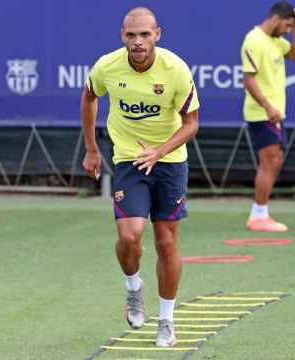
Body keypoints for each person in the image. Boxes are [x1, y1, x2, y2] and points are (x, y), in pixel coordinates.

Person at [80, 7, 199, 347]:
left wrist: (160, 152)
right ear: (123, 36)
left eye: (145, 34)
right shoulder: (107, 66)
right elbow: (89, 96)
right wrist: (91, 148)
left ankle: (166, 320)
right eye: (131, 35)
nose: (138, 42)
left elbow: (191, 123)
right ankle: (133, 288)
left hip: (169, 162)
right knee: (131, 237)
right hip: (130, 160)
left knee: (166, 242)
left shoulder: (176, 70)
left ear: (157, 35)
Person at [241, 1, 295, 232]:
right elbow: (248, 79)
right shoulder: (254, 40)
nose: (288, 30)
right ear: (276, 19)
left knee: (275, 161)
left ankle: (260, 213)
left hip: (275, 112)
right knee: (270, 161)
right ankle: (258, 216)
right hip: (261, 113)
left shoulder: (277, 42)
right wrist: (268, 107)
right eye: (287, 26)